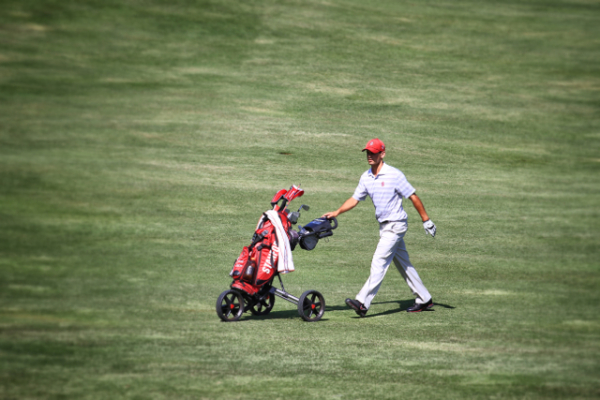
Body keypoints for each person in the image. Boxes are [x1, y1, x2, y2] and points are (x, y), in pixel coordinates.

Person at [322, 138, 437, 317]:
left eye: (373, 153)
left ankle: (362, 302)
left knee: (379, 262)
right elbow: (355, 199)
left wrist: (426, 220)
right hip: (384, 227)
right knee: (404, 264)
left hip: (396, 226)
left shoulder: (395, 174)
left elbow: (412, 196)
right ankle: (424, 298)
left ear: (382, 154)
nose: (370, 156)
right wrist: (337, 212)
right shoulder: (366, 177)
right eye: (368, 152)